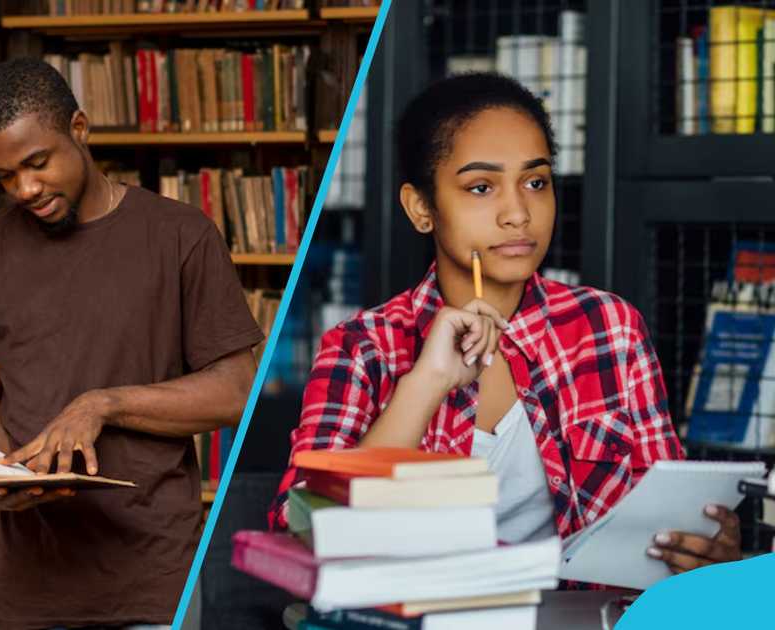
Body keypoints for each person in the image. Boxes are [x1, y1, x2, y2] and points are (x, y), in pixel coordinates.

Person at [271, 72, 741, 577]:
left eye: (535, 182)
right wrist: (426, 383)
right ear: (421, 208)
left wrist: (703, 544)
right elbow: (299, 531)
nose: (518, 213)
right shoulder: (363, 346)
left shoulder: (610, 326)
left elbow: (668, 511)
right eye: (481, 187)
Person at [0, 57, 262, 629]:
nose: (26, 189)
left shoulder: (181, 235)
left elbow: (236, 391)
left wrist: (102, 404)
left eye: (37, 163)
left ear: (80, 129)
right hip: (29, 585)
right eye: (5, 177)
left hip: (153, 580)